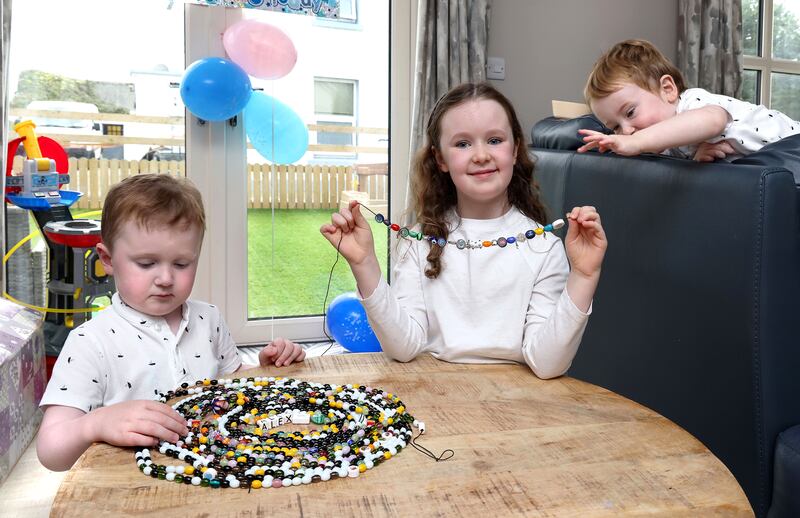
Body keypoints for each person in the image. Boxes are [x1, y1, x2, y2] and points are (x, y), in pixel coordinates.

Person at [321, 82, 607, 377]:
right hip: (435, 395)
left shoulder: (544, 246)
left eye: (495, 140)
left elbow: (547, 364)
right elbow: (403, 347)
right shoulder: (418, 242)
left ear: (515, 148)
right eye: (462, 143)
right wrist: (364, 263)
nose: (481, 154)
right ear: (441, 159)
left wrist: (584, 277)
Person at [37, 174, 306, 471]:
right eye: (146, 263)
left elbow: (233, 386)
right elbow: (50, 450)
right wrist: (94, 423)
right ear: (108, 259)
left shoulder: (209, 319)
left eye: (181, 264)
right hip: (131, 492)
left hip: (214, 474)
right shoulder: (90, 342)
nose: (165, 279)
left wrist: (264, 368)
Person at [578, 39, 800, 161]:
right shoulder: (662, 149)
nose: (626, 131)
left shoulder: (692, 103)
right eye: (615, 127)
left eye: (630, 113)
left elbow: (712, 122)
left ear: (668, 89)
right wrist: (698, 160)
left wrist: (636, 142)